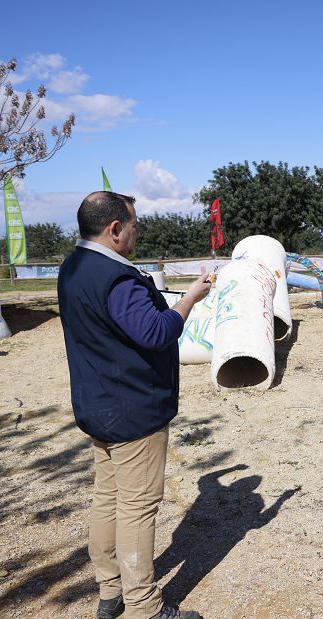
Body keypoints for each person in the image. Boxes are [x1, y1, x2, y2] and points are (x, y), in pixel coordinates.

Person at [58, 191, 211, 619]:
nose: (137, 230)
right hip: (132, 409)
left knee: (108, 497)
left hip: (98, 404)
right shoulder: (117, 278)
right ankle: (144, 606)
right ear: (114, 229)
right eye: (134, 223)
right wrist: (189, 300)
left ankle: (111, 591)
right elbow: (157, 333)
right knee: (137, 506)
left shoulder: (73, 267)